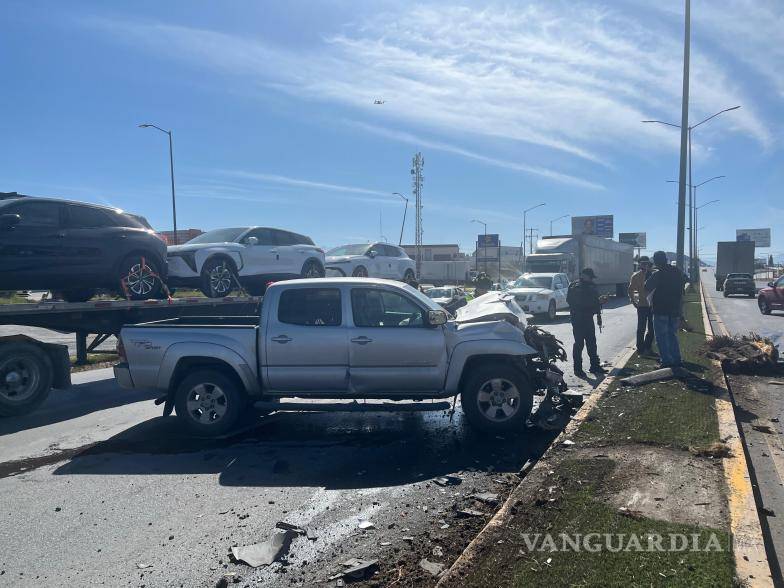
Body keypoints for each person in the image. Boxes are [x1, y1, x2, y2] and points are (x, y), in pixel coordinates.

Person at [644, 251, 688, 368]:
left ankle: (667, 361)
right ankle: (677, 359)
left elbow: (646, 287)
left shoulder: (658, 274)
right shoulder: (677, 272)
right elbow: (684, 284)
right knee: (672, 335)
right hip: (674, 309)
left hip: (660, 309)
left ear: (656, 261)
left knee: (661, 337)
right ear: (666, 259)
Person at [567, 268, 607, 378]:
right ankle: (578, 369)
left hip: (588, 318)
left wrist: (600, 301)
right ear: (584, 275)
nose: (591, 279)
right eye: (590, 277)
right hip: (578, 319)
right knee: (579, 344)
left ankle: (595, 365)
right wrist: (597, 301)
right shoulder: (576, 287)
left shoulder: (591, 286)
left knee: (592, 343)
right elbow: (578, 302)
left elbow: (594, 300)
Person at [628, 255, 655, 355]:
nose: (645, 265)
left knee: (652, 329)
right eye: (643, 264)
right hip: (642, 305)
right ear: (640, 265)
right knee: (641, 328)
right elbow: (630, 289)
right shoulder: (636, 276)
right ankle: (640, 348)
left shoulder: (654, 274)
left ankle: (648, 347)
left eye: (647, 263)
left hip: (653, 305)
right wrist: (633, 301)